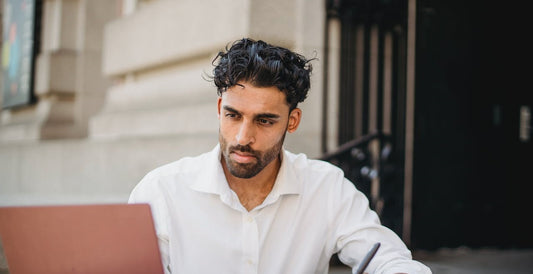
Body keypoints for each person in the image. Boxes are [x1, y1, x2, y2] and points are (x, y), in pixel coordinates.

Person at [128, 38, 431, 274]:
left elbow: (385, 256)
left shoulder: (325, 187)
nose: (242, 137)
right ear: (220, 109)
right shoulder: (161, 191)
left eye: (264, 120)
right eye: (233, 115)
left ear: (293, 120)